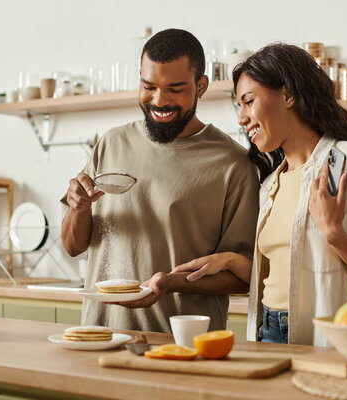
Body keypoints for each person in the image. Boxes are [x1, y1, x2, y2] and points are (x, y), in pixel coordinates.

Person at [174, 43, 347, 346]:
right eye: (239, 106)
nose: (241, 118)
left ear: (288, 95)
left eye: (248, 101)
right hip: (266, 331)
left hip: (324, 336)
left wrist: (335, 234)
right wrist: (232, 262)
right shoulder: (270, 184)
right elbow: (293, 270)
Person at [61, 29, 259, 333]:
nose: (159, 100)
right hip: (100, 335)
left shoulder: (233, 164)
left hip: (185, 344)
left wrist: (170, 284)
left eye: (175, 89)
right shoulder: (110, 143)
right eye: (148, 86)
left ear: (201, 86)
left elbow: (243, 275)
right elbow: (73, 246)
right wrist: (78, 209)